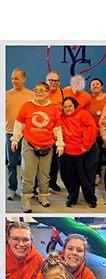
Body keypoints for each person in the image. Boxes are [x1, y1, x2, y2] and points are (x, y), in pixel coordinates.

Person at [12, 81, 63, 212]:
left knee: (44, 175)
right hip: (29, 145)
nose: (38, 93)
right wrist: (15, 140)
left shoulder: (53, 109)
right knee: (28, 174)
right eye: (36, 90)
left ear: (47, 93)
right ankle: (26, 199)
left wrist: (60, 144)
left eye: (42, 90)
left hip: (47, 146)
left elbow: (57, 128)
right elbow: (19, 125)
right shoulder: (26, 106)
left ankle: (43, 196)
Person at [58, 96, 99, 207]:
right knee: (69, 177)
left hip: (84, 151)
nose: (68, 108)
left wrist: (86, 145)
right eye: (65, 107)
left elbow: (91, 129)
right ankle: (72, 197)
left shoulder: (84, 114)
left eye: (70, 106)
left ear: (75, 106)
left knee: (87, 178)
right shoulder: (60, 117)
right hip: (67, 152)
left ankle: (90, 199)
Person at [7, 69, 34, 199]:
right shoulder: (5, 95)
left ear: (24, 79)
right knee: (11, 163)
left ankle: (26, 190)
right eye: (12, 78)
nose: (14, 81)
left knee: (27, 165)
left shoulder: (32, 95)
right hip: (10, 134)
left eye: (16, 78)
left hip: (27, 135)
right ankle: (12, 189)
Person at [86, 78, 106, 187]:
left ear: (102, 86)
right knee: (96, 157)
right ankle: (97, 176)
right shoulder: (88, 99)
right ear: (90, 88)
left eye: (97, 84)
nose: (95, 86)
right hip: (94, 133)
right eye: (93, 85)